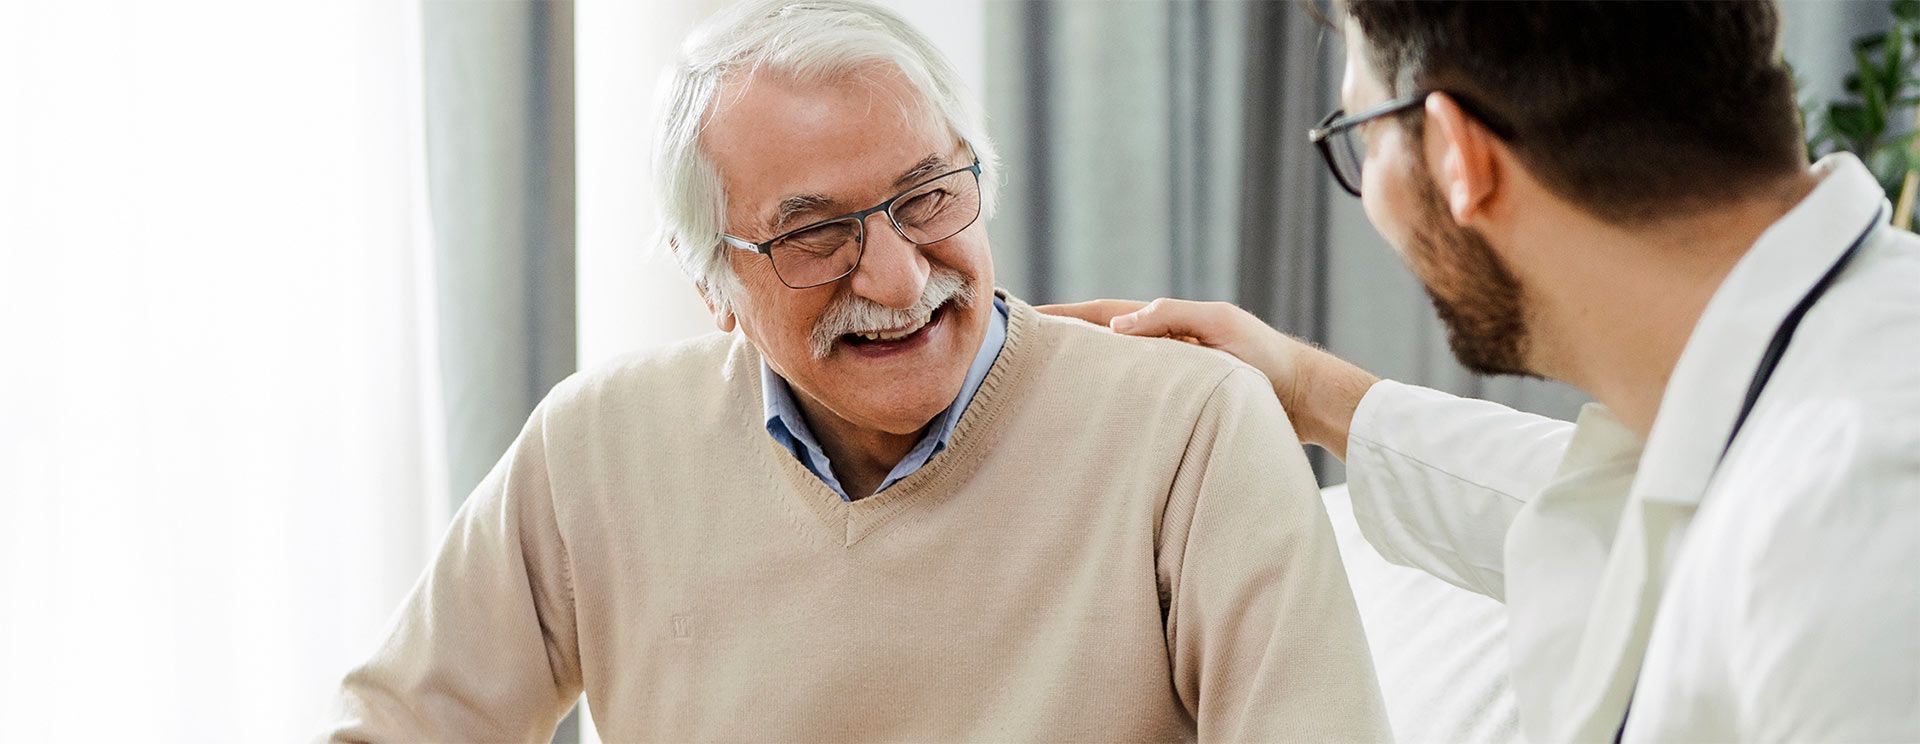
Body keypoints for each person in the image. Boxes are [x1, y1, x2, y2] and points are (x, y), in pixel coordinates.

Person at [323, 0, 1390, 741]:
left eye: (928, 198)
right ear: (710, 284)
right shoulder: (596, 448)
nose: (895, 274)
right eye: (817, 234)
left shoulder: (1191, 431)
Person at [1047, 1, 1920, 740]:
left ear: (1457, 155)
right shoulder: (1811, 378)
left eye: (1356, 132)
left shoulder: (1849, 528)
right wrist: (1313, 394)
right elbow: (1614, 506)